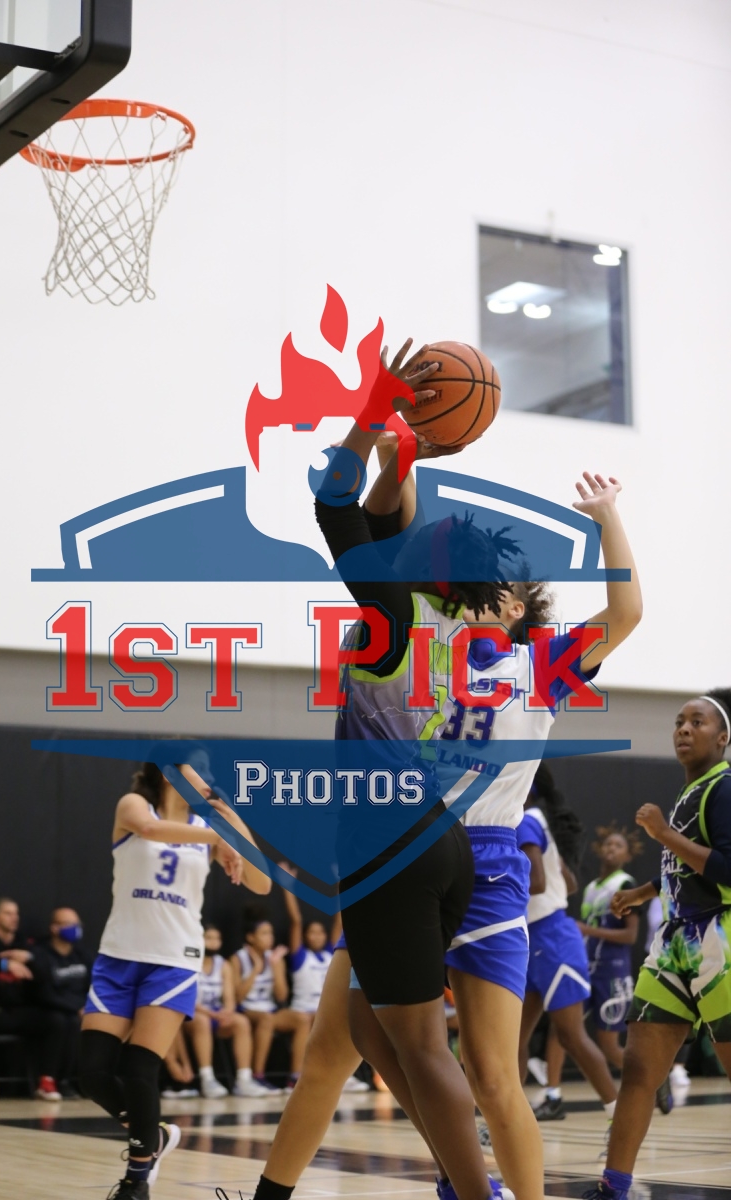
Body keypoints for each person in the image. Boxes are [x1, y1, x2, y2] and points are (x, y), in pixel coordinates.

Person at [246, 340, 641, 1200]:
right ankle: (462, 1180)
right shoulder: (474, 636)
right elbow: (390, 526)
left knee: (458, 1062)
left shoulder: (435, 631)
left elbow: (353, 516)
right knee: (366, 1041)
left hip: (435, 849)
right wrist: (406, 456)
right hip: (449, 849)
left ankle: (480, 1188)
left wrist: (390, 435)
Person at [78, 760, 270, 1200]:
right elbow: (150, 830)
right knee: (92, 1074)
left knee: (139, 1067)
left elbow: (262, 884)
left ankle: (137, 1179)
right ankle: (156, 1134)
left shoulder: (207, 826)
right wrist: (217, 837)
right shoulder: (134, 805)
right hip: (119, 956)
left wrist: (230, 821)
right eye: (198, 769)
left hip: (173, 960)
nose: (207, 778)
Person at [584, 690, 731, 1200]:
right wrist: (644, 891)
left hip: (719, 941)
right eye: (679, 721)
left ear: (723, 738)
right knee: (639, 1071)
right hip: (673, 944)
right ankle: (613, 1187)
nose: (684, 729)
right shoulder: (690, 791)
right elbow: (686, 867)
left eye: (697, 722)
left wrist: (663, 833)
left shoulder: (725, 787)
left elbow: (727, 869)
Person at [517, 767, 619, 1128]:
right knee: (513, 1042)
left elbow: (537, 882)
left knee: (572, 1037)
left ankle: (618, 1117)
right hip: (533, 939)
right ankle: (507, 1122)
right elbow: (569, 883)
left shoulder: (526, 820)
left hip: (552, 938)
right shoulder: (536, 822)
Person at [0, 896, 69, 1101]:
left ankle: (47, 1080)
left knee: (56, 1020)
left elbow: (47, 971)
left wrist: (29, 959)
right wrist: (5, 964)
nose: (14, 918)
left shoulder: (26, 944)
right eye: (8, 913)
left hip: (22, 1010)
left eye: (16, 913)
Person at [281, 870, 366, 1092]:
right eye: (312, 933)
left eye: (320, 932)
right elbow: (296, 920)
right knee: (307, 1020)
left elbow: (340, 919)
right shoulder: (300, 956)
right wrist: (288, 887)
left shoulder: (331, 953)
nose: (317, 936)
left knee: (347, 1018)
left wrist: (341, 885)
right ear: (306, 936)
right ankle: (295, 1076)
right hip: (301, 1009)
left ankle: (343, 1075)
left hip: (323, 1010)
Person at [165, 923, 270, 1098]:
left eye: (217, 938)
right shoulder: (189, 962)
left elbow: (229, 998)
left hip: (216, 1014)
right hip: (192, 1015)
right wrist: (212, 1014)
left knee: (241, 1022)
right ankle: (207, 1078)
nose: (213, 942)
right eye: (209, 938)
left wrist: (227, 1012)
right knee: (202, 1021)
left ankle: (244, 1080)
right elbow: (187, 999)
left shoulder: (223, 965)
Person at [577, 827, 641, 1072]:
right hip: (585, 968)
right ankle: (552, 1089)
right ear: (600, 849)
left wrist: (589, 931)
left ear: (628, 855)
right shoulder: (591, 887)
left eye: (618, 845)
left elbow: (630, 935)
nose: (612, 848)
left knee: (609, 1045)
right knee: (562, 1029)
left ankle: (653, 1083)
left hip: (613, 972)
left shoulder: (625, 884)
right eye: (608, 844)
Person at [231, 912, 312, 1092]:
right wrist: (256, 969)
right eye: (264, 933)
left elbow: (282, 996)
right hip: (246, 1010)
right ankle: (257, 1076)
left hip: (268, 1010)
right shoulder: (238, 958)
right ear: (251, 937)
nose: (270, 937)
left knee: (302, 1019)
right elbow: (237, 997)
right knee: (266, 1019)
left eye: (271, 933)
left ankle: (295, 1077)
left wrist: (275, 968)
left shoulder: (274, 958)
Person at [33, 906, 93, 1097]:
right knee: (61, 1021)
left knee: (76, 1022)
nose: (75, 928)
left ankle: (70, 1081)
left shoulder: (82, 955)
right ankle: (48, 1079)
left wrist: (87, 1007)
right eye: (69, 924)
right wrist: (76, 1007)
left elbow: (94, 986)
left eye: (77, 924)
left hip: (79, 1009)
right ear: (54, 928)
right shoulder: (41, 954)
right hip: (49, 1008)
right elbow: (43, 993)